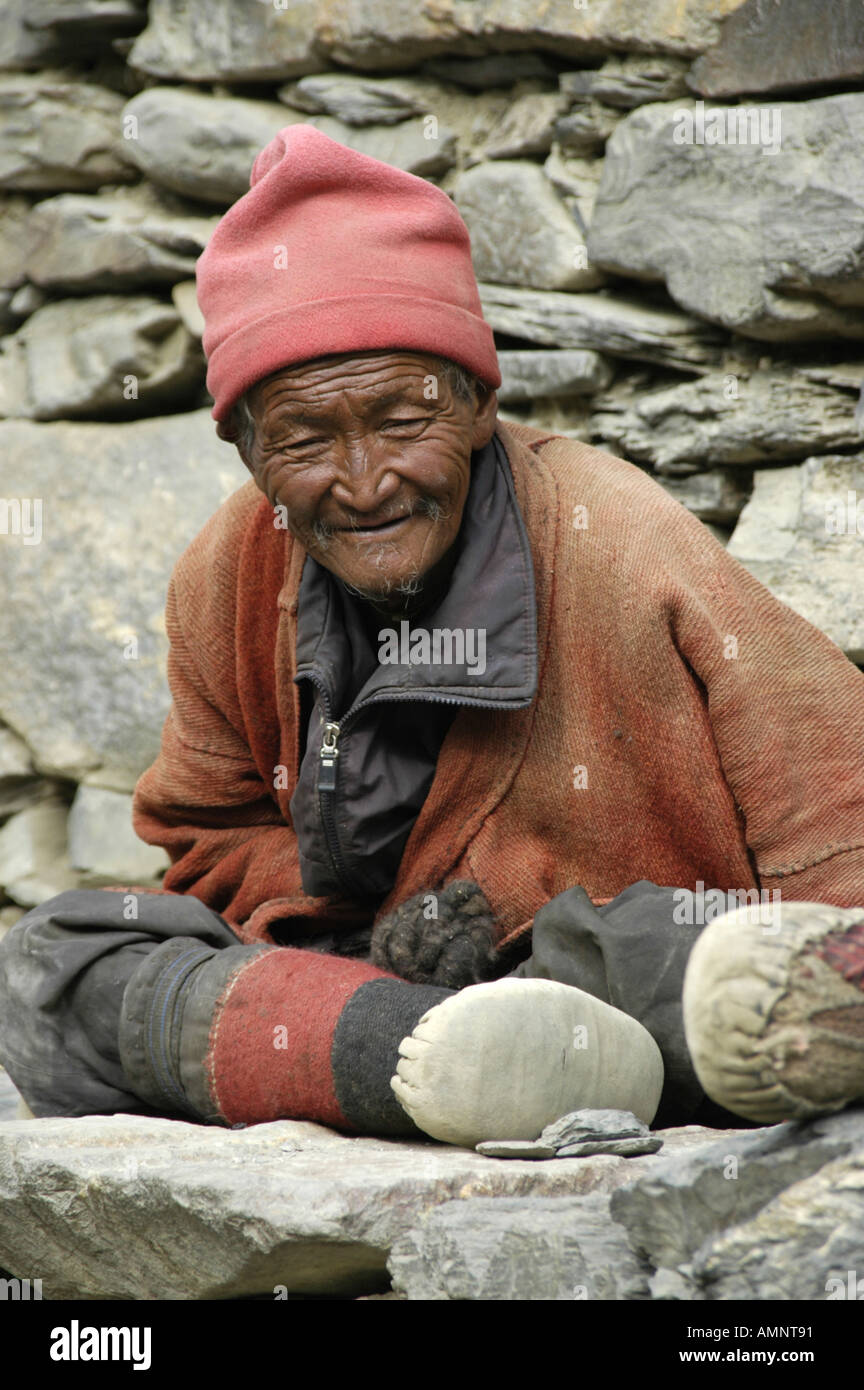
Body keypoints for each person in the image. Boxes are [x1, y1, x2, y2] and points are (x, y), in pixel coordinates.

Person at [1, 126, 862, 1147]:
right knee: (56, 960)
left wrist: (495, 920)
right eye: (306, 439)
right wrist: (383, 934)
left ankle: (471, 1056)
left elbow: (839, 844)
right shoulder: (228, 574)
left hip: (604, 978)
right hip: (363, 981)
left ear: (480, 402)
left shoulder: (627, 546)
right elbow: (210, 837)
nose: (365, 484)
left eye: (403, 421)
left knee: (711, 964)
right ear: (245, 452)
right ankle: (435, 1057)